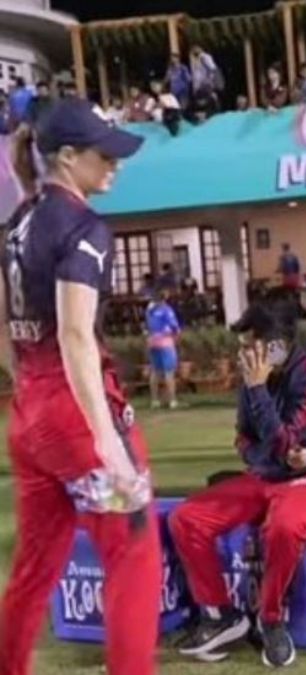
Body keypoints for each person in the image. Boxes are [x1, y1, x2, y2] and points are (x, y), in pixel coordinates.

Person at [0, 98, 160, 675]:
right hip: (75, 418)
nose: (115, 165)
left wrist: (27, 387)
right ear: (68, 158)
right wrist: (106, 442)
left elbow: (3, 325)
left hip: (30, 417)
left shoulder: (17, 223)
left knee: (35, 565)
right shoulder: (83, 226)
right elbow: (74, 334)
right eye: (104, 155)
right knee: (134, 555)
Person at [168, 297, 306, 667]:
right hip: (268, 476)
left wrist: (258, 393)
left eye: (250, 344)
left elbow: (285, 438)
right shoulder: (254, 377)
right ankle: (221, 616)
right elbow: (246, 440)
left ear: (277, 344)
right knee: (186, 518)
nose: (244, 353)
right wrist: (273, 456)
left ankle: (271, 619)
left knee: (283, 525)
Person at [146, 285, 181, 410]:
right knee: (168, 372)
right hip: (165, 341)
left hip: (152, 341)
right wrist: (177, 337)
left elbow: (148, 325)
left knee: (155, 372)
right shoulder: (167, 310)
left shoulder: (150, 310)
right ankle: (172, 400)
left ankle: (155, 400)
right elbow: (174, 327)